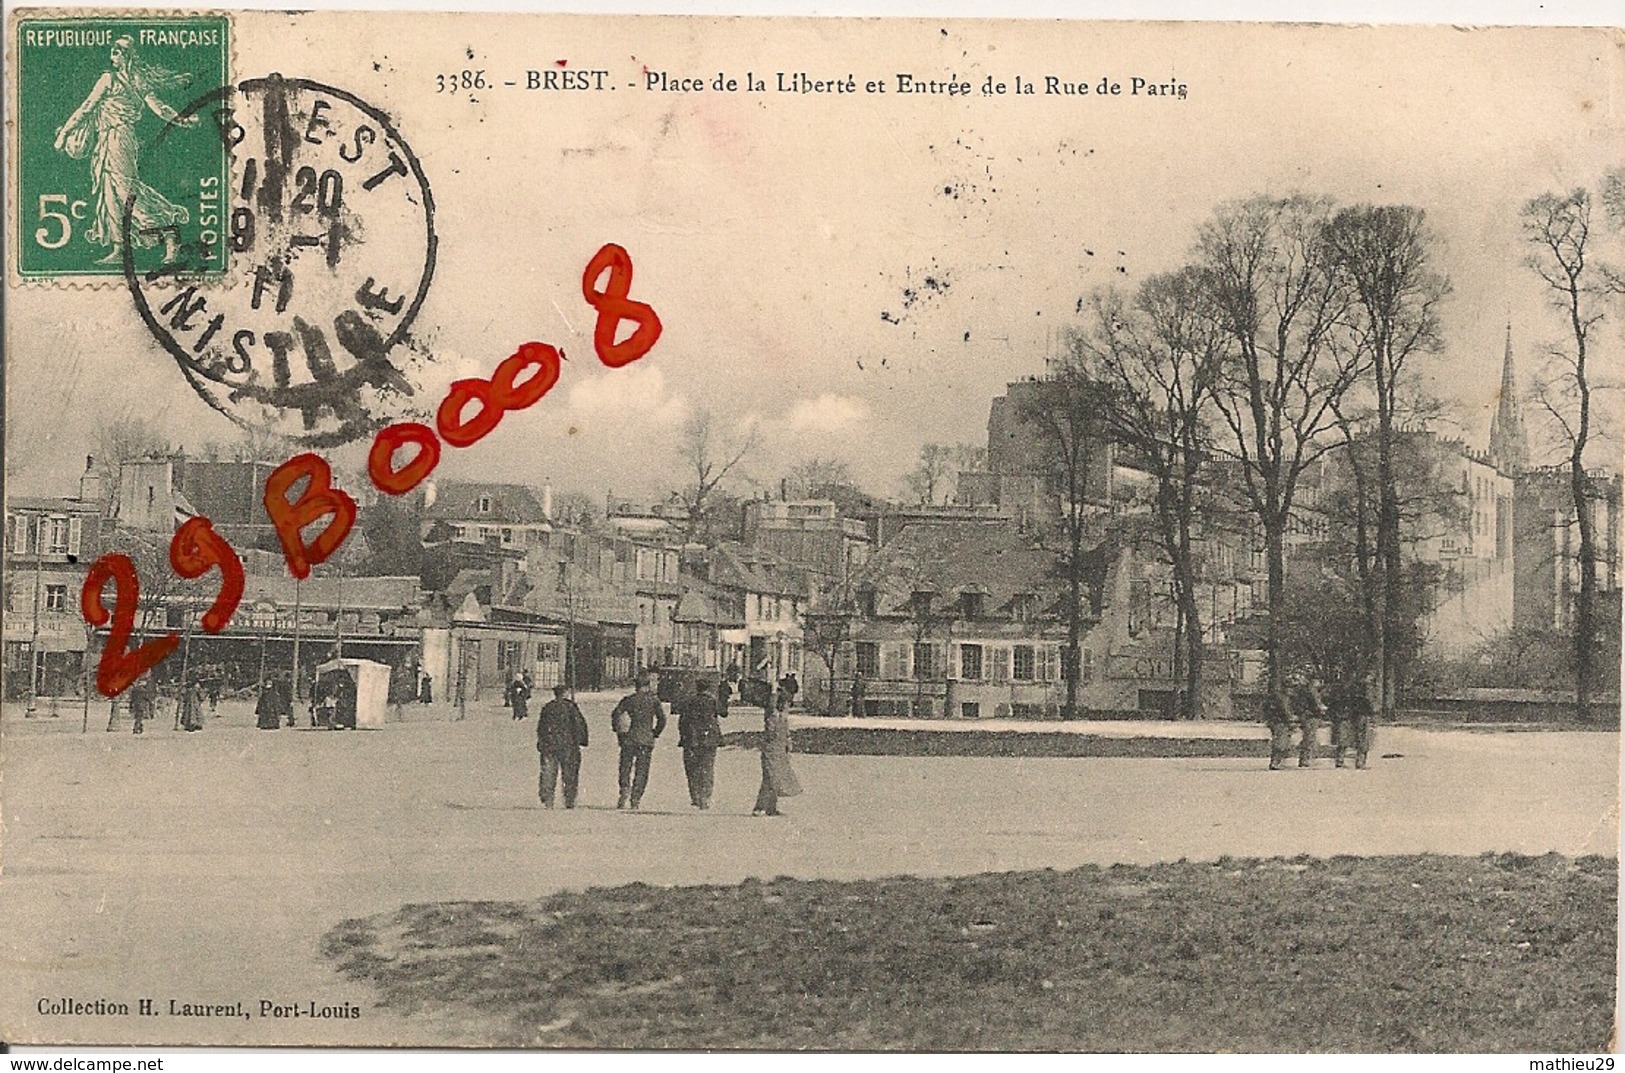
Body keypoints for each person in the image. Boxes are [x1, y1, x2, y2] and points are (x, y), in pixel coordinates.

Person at [52, 36, 200, 265]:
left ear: (127, 55)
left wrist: (63, 134)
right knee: (109, 193)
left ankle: (169, 232)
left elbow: (157, 108)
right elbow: (87, 109)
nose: (113, 53)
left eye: (118, 50)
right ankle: (119, 248)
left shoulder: (115, 79)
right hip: (106, 140)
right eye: (113, 50)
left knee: (125, 190)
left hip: (119, 139)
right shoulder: (115, 78)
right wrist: (182, 119)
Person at [610, 674, 667, 810]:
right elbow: (662, 720)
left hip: (628, 739)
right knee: (642, 770)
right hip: (646, 740)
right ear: (647, 686)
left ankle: (624, 789)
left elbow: (616, 714)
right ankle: (636, 797)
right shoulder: (653, 701)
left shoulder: (628, 700)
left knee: (625, 766)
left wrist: (619, 731)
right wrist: (655, 733)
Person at [536, 685, 590, 808]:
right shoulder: (571, 707)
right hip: (568, 745)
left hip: (549, 744)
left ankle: (547, 798)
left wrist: (541, 742)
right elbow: (579, 724)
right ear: (565, 693)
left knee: (548, 772)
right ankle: (569, 799)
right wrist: (581, 741)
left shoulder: (548, 707)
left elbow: (541, 727)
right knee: (570, 773)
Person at [677, 678, 726, 809]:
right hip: (709, 739)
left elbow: (682, 721)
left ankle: (695, 796)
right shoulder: (712, 701)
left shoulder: (689, 701)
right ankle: (706, 797)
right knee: (707, 768)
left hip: (691, 739)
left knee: (692, 769)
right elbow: (724, 712)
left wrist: (683, 736)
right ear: (708, 688)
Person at [753, 685, 802, 816]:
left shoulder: (783, 718)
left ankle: (771, 807)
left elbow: (786, 734)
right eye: (786, 703)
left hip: (780, 750)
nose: (788, 706)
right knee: (770, 777)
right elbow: (770, 706)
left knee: (775, 778)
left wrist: (788, 744)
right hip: (771, 749)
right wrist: (774, 691)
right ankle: (759, 807)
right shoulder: (772, 714)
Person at [1292, 673, 1327, 768]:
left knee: (1308, 736)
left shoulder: (1303, 690)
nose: (1320, 683)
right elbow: (1317, 704)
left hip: (1305, 715)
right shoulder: (1312, 690)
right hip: (1310, 716)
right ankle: (1305, 759)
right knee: (1309, 737)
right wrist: (1322, 709)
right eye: (1318, 681)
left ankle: (1305, 758)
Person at [1264, 680, 1294, 771]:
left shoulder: (1276, 697)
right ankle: (1275, 762)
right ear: (1286, 689)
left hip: (1274, 722)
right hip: (1281, 723)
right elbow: (1286, 711)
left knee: (1278, 742)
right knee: (1281, 743)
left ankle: (1275, 761)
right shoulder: (1284, 698)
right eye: (1290, 688)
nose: (1291, 690)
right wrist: (1291, 719)